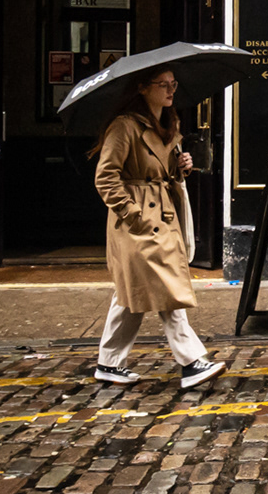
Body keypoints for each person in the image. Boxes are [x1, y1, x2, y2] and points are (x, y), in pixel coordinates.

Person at [90, 67, 226, 388]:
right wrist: (132, 214)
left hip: (161, 215)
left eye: (173, 83)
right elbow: (105, 177)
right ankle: (191, 362)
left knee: (132, 291)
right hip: (137, 222)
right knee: (167, 285)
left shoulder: (167, 124)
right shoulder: (124, 126)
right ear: (142, 88)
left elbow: (163, 173)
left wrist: (180, 167)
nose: (170, 90)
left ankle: (109, 363)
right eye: (162, 84)